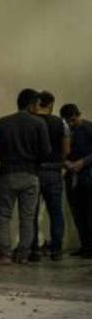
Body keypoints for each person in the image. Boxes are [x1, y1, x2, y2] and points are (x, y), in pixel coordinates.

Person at [0, 89, 51, 265]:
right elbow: (46, 151)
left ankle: (5, 254)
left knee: (3, 216)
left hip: (8, 174)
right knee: (28, 218)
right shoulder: (39, 123)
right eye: (37, 104)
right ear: (31, 104)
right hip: (30, 174)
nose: (38, 108)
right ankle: (23, 254)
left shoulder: (2, 122)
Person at [29, 91, 69, 261]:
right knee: (56, 212)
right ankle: (57, 250)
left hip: (34, 170)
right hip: (54, 171)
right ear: (51, 104)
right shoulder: (61, 122)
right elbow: (66, 148)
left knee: (31, 212)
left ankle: (34, 250)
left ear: (38, 103)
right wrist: (60, 160)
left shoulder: (31, 121)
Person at [62, 104, 92, 257]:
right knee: (77, 214)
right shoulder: (67, 131)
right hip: (73, 176)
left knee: (89, 212)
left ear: (78, 115)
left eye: (73, 120)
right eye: (68, 121)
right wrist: (65, 162)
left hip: (88, 175)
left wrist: (83, 162)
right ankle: (85, 246)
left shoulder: (88, 128)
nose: (71, 124)